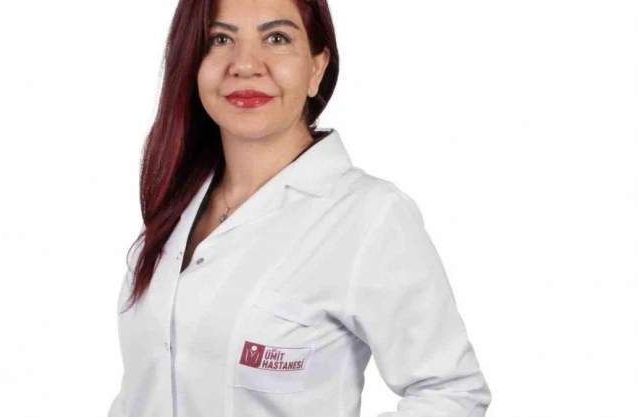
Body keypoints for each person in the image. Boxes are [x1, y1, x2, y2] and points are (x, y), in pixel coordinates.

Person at [108, 0, 492, 416]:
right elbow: (141, 390)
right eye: (219, 39)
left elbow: (451, 393)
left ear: (316, 68)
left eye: (277, 38)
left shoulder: (368, 217)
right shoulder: (176, 202)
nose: (245, 64)